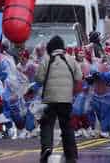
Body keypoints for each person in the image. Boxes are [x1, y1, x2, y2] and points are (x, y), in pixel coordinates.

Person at [36, 35, 82, 163]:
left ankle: (46, 148)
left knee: (46, 124)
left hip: (49, 99)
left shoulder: (46, 59)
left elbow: (39, 78)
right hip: (66, 99)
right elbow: (79, 76)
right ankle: (71, 155)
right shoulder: (70, 59)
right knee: (67, 126)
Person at [90, 45, 110, 137]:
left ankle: (106, 129)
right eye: (105, 53)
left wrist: (104, 76)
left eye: (108, 53)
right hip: (97, 94)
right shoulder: (97, 64)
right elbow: (93, 70)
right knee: (100, 112)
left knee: (108, 113)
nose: (106, 55)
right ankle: (107, 129)